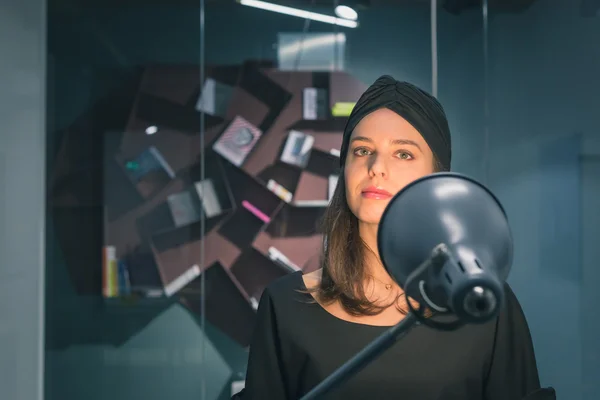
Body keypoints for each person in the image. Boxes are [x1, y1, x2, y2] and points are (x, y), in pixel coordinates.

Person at [233, 75, 542, 400]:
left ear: (436, 177)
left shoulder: (482, 299)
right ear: (345, 168)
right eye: (363, 150)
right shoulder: (285, 304)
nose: (376, 167)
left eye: (403, 154)